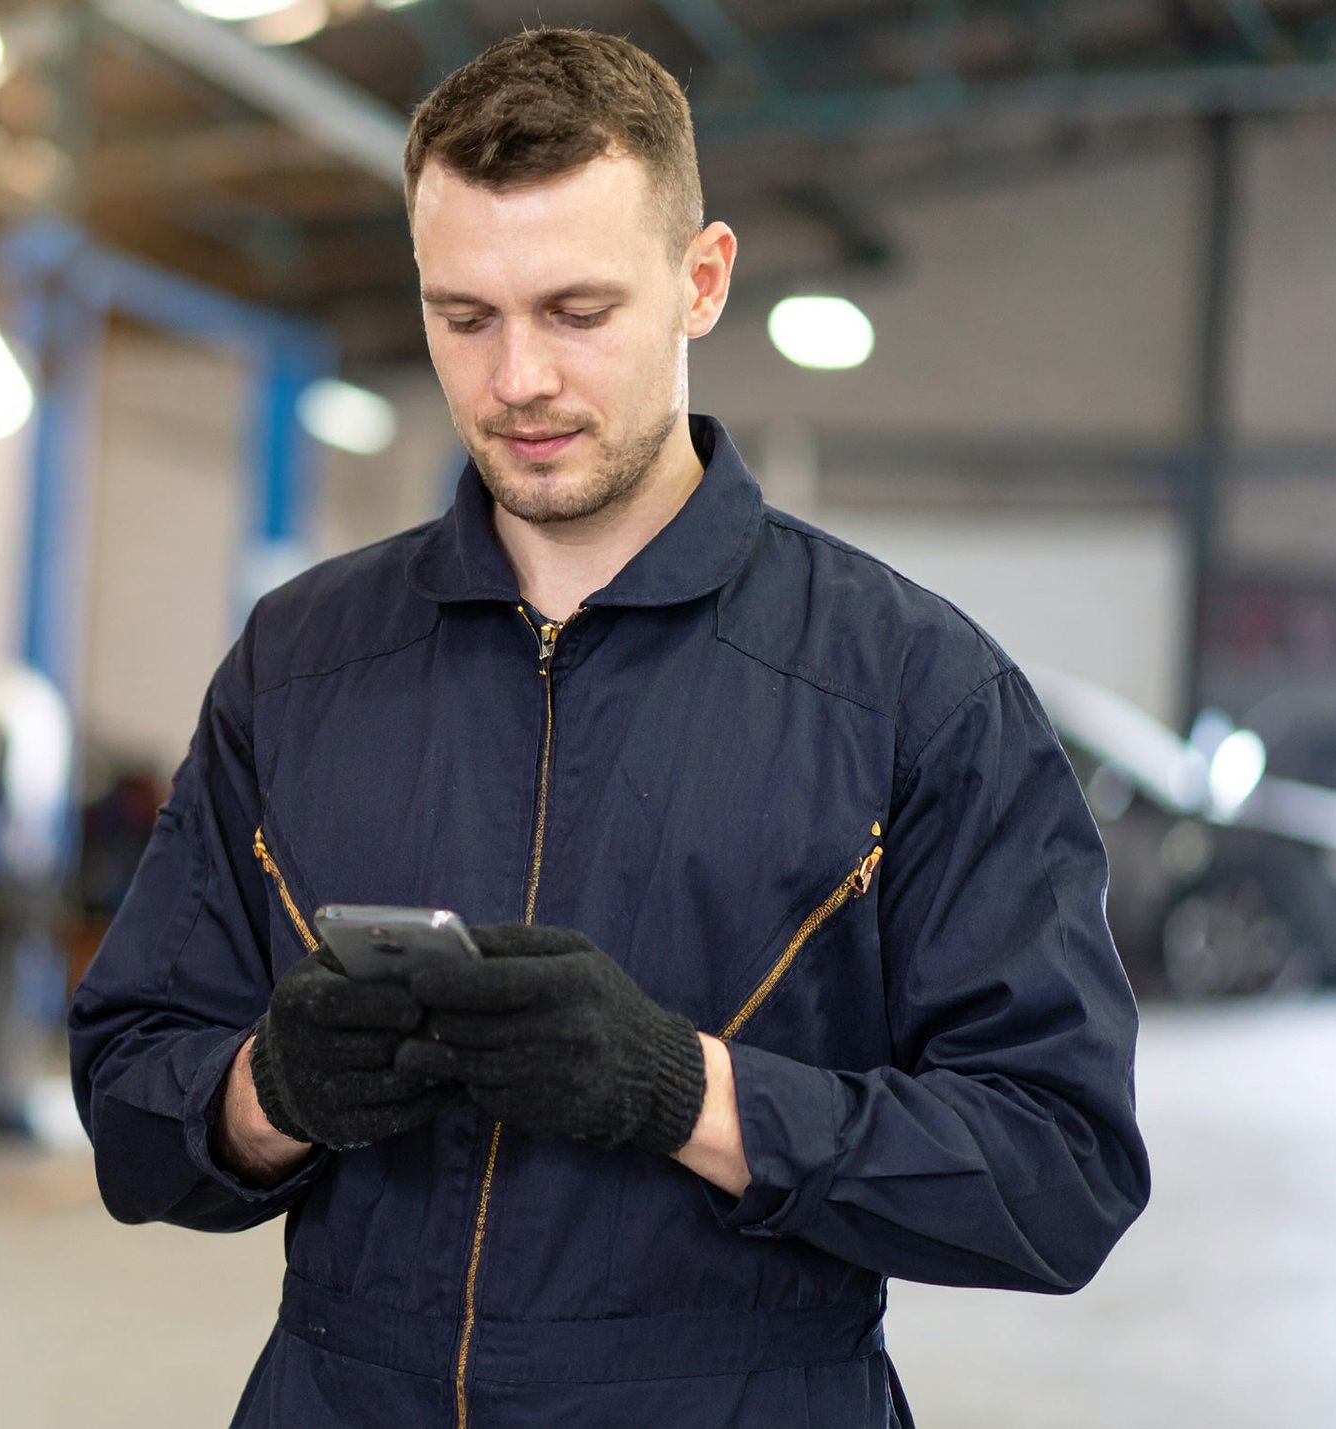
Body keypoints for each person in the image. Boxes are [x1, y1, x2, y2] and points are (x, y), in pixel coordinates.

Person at [69, 26, 1149, 1428]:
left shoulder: (911, 691)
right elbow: (128, 1097)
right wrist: (267, 1091)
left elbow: (1058, 1170)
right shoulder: (303, 662)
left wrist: (687, 1092)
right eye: (465, 317)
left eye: (577, 311)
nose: (517, 377)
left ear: (702, 280)